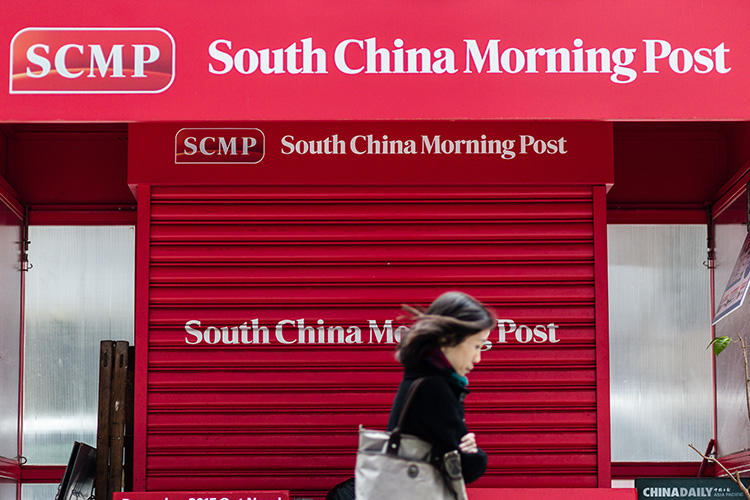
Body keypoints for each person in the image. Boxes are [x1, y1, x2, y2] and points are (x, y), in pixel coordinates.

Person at [387, 291, 493, 484]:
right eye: (477, 346)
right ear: (449, 340)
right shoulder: (434, 388)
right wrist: (474, 455)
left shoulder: (419, 376)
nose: (478, 359)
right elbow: (464, 468)